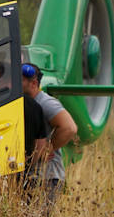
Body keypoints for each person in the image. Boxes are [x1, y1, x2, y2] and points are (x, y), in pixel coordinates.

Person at [20, 63, 78, 207]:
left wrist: (48, 148)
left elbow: (69, 128)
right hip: (35, 176)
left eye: (20, 80)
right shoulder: (29, 102)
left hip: (47, 177)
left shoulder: (46, 103)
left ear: (33, 83)